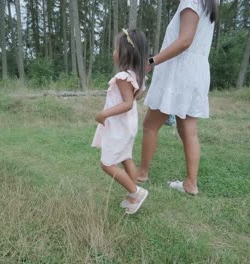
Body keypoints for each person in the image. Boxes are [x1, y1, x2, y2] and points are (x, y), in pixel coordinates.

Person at [137, 0, 218, 195]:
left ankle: (141, 174)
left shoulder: (191, 2)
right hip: (195, 72)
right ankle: (190, 183)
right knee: (187, 130)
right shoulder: (207, 4)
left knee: (150, 125)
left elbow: (184, 41)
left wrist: (151, 61)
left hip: (179, 73)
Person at [92, 29, 149, 214]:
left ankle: (136, 191)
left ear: (125, 53)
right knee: (126, 158)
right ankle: (133, 196)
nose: (113, 52)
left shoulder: (123, 77)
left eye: (116, 49)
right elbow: (135, 99)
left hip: (120, 126)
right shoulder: (137, 75)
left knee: (107, 164)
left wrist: (104, 114)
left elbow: (127, 103)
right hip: (128, 125)